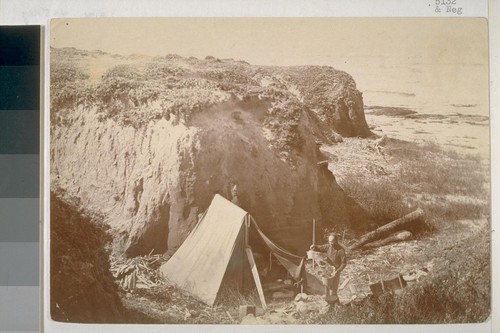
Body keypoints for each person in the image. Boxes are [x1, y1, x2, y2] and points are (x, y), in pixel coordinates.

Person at [310, 233, 346, 306]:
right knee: (326, 289)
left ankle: (337, 305)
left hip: (335, 272)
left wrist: (338, 271)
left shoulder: (341, 250)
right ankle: (329, 304)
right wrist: (314, 247)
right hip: (327, 270)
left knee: (333, 291)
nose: (331, 243)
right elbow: (320, 247)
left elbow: (344, 263)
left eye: (332, 241)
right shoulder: (328, 246)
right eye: (329, 241)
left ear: (336, 240)